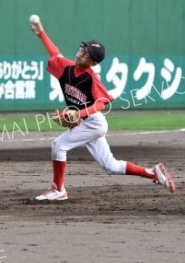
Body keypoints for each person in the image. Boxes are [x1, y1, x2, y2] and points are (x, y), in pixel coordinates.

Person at [30, 19, 176, 201]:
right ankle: (153, 173)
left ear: (92, 62)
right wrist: (41, 33)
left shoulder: (91, 78)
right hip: (86, 123)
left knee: (58, 145)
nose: (81, 53)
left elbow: (102, 103)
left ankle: (58, 189)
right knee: (110, 166)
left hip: (93, 122)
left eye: (86, 53)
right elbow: (55, 53)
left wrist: (80, 113)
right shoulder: (66, 68)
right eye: (82, 49)